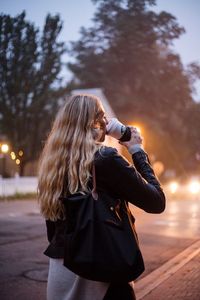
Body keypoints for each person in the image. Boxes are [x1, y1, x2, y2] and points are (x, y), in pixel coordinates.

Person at [37, 94, 166, 300]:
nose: (107, 123)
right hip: (100, 274)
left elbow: (52, 231)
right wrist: (136, 149)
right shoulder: (105, 159)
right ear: (95, 122)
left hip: (61, 274)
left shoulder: (53, 164)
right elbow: (156, 201)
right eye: (103, 117)